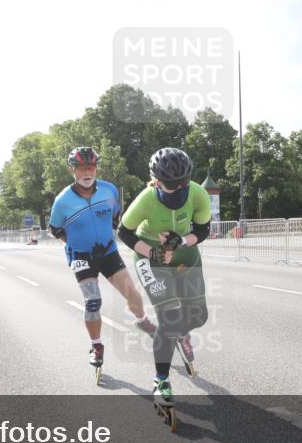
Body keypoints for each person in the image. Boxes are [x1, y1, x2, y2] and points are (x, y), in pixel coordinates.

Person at [48, 146, 158, 371]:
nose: (87, 172)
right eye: (82, 168)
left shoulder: (109, 190)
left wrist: (109, 236)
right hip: (81, 256)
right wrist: (75, 245)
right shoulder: (62, 200)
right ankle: (96, 345)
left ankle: (142, 321)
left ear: (96, 168)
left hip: (107, 251)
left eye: (92, 167)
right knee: (93, 301)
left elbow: (116, 216)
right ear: (73, 170)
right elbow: (55, 228)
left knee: (132, 294)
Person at [117, 147, 211, 409]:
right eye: (170, 186)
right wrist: (152, 253)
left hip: (184, 251)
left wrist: (181, 241)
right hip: (149, 254)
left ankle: (182, 332)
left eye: (182, 184)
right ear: (157, 182)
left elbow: (203, 229)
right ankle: (161, 380)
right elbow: (124, 232)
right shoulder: (147, 198)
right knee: (169, 318)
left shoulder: (197, 193)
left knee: (199, 316)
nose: (178, 190)